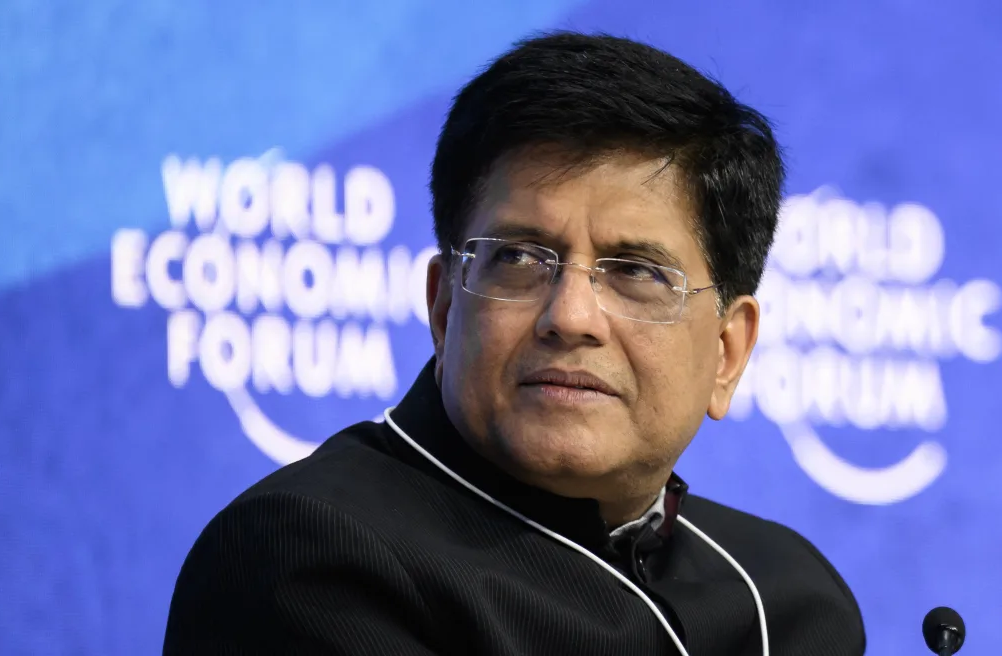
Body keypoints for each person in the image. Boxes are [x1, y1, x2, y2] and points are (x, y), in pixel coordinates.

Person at [163, 32, 866, 655]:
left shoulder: (789, 602)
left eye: (635, 272)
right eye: (520, 259)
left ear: (727, 352)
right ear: (444, 307)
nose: (572, 316)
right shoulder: (312, 554)